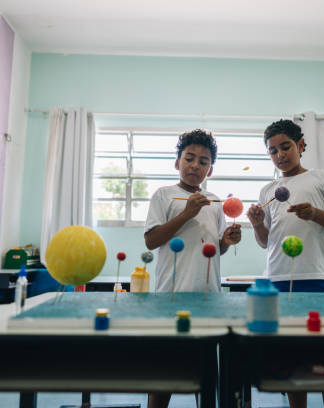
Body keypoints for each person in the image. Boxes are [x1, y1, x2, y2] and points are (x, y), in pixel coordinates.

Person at [247, 119, 324, 408]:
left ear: (302, 146)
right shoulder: (267, 190)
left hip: (317, 276)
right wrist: (258, 225)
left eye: (286, 147)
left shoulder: (322, 179)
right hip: (277, 281)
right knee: (290, 357)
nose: (280, 155)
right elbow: (265, 241)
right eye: (272, 151)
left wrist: (315, 214)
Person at [144, 129, 241, 408]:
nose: (195, 165)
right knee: (166, 373)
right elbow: (151, 241)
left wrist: (226, 240)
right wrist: (188, 212)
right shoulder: (164, 195)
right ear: (177, 163)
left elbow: (216, 248)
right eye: (189, 158)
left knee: (205, 372)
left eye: (203, 161)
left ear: (210, 169)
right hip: (170, 297)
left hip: (209, 298)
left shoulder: (214, 202)